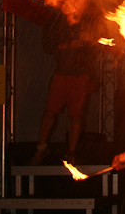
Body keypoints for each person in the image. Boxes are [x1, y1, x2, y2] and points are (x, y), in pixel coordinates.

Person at [29, 11, 99, 165]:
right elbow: (48, 46)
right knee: (50, 111)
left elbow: (97, 48)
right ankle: (41, 148)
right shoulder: (56, 22)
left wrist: (89, 40)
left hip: (81, 74)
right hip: (61, 73)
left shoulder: (88, 20)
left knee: (76, 115)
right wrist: (68, 45)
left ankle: (71, 153)